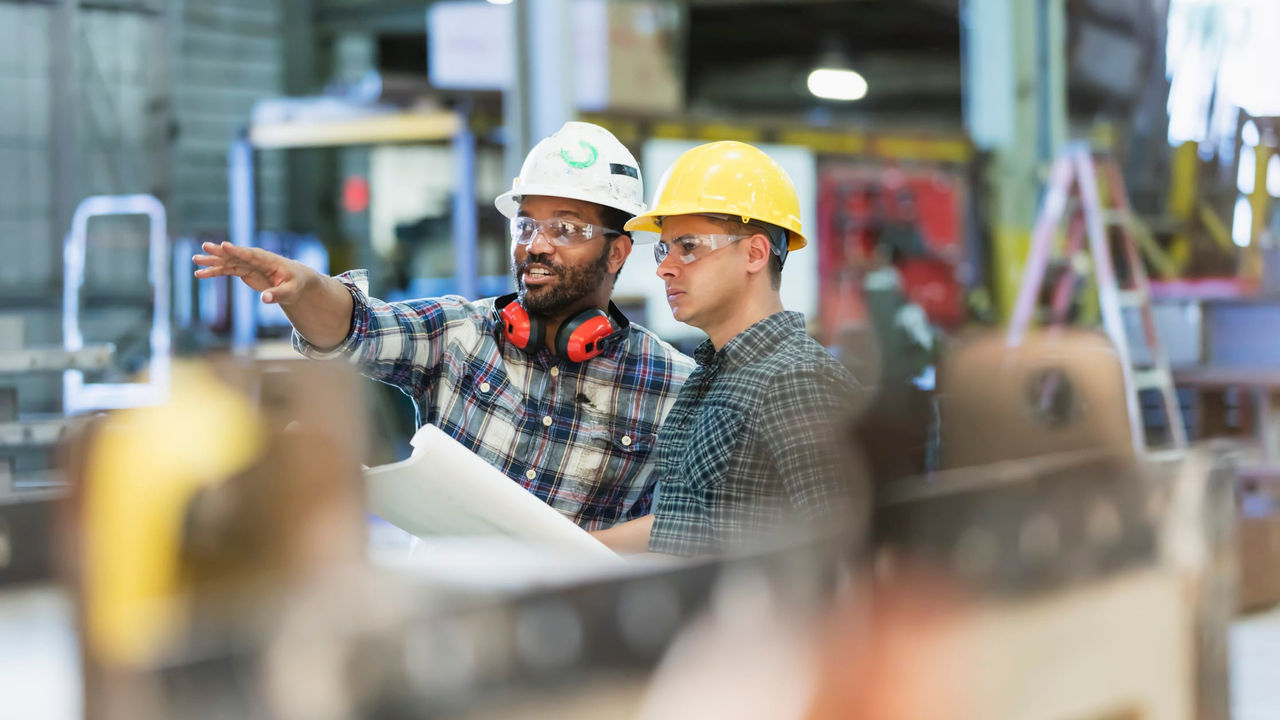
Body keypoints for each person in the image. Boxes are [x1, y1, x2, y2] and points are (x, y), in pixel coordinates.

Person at [194, 121, 694, 531]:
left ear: (619, 250)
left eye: (564, 228)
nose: (536, 245)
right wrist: (303, 288)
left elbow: (682, 530)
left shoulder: (672, 385)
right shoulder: (459, 333)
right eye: (526, 225)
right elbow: (356, 326)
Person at [593, 141, 864, 556]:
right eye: (665, 249)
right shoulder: (711, 376)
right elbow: (684, 524)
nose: (665, 267)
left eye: (689, 246)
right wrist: (564, 546)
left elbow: (849, 545)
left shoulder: (797, 380)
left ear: (754, 253)